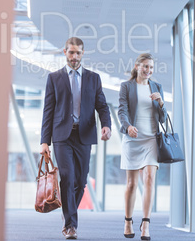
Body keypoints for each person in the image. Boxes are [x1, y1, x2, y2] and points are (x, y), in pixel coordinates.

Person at [40, 37, 111, 240]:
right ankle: (70, 225)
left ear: (83, 54)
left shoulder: (93, 78)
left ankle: (67, 214)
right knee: (68, 177)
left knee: (80, 181)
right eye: (71, 52)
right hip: (62, 135)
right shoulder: (54, 78)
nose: (74, 56)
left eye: (78, 53)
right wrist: (44, 141)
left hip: (84, 135)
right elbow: (48, 111)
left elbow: (102, 106)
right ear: (65, 53)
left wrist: (106, 125)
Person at [118, 53, 167, 241]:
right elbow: (122, 110)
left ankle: (145, 223)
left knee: (149, 179)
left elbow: (163, 118)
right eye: (145, 66)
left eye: (151, 68)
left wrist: (161, 103)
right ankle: (128, 221)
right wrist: (128, 126)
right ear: (137, 66)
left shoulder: (156, 87)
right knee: (131, 184)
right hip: (132, 137)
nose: (148, 71)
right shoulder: (127, 87)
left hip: (151, 139)